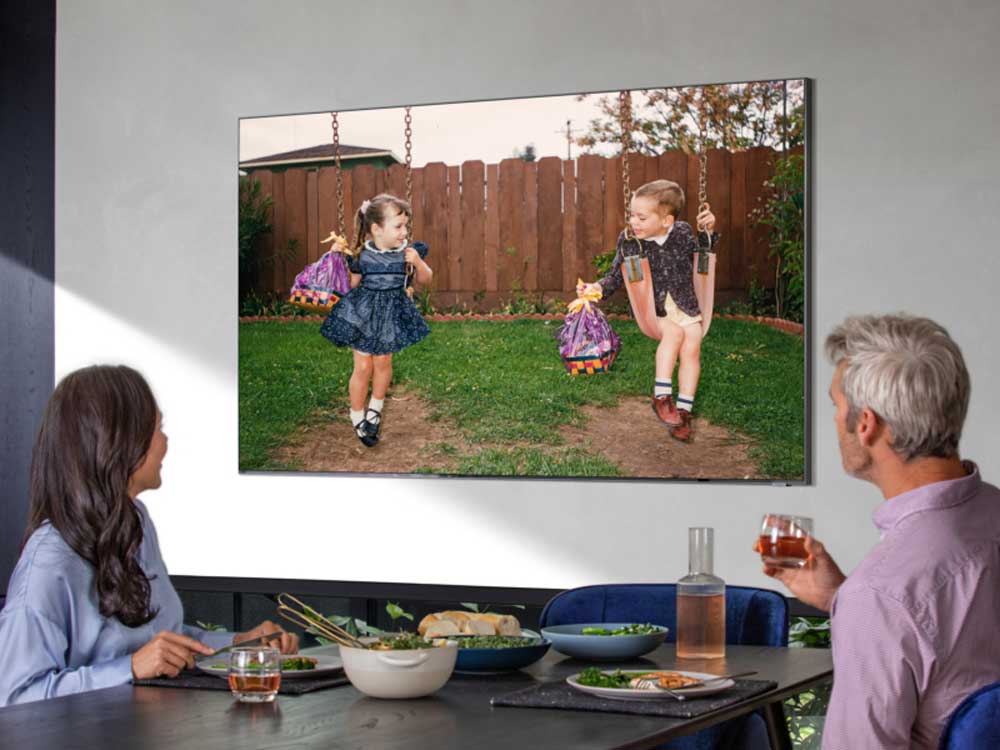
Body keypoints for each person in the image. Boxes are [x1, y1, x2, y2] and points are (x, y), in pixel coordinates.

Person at [758, 314, 1000, 749]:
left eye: (836, 406)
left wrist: (863, 605)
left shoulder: (883, 595)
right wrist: (842, 600)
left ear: (866, 424)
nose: (835, 420)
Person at [0, 365, 299, 707]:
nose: (165, 442)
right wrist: (128, 668)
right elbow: (14, 697)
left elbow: (158, 644)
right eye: (158, 428)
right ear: (119, 442)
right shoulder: (50, 560)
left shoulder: (136, 522)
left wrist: (239, 644)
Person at [579, 180, 716, 441]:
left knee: (693, 345)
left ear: (666, 221)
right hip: (655, 312)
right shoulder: (631, 242)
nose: (634, 222)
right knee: (674, 335)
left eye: (641, 217)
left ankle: (684, 412)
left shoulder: (683, 233)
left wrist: (709, 230)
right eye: (632, 215)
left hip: (686, 304)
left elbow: (703, 253)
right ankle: (662, 396)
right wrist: (595, 289)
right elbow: (615, 276)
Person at [319, 193, 433, 447]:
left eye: (406, 226)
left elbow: (426, 281)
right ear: (376, 229)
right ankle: (357, 414)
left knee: (382, 361)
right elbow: (350, 286)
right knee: (362, 367)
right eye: (399, 226)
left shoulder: (408, 253)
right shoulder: (361, 256)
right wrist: (337, 260)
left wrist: (418, 263)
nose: (404, 232)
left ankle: (375, 409)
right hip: (362, 315)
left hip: (391, 313)